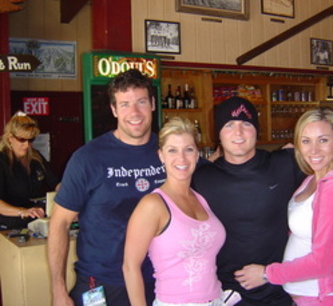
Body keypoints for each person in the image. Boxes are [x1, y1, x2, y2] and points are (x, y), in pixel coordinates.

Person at [47, 69, 166, 306]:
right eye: (124, 104)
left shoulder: (170, 151)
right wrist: (59, 291)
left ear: (153, 103)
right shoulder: (88, 158)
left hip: (159, 281)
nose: (134, 112)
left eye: (141, 101)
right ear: (114, 110)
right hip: (103, 283)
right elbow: (59, 223)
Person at [191, 96, 306, 306]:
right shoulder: (201, 178)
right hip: (222, 295)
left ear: (257, 130)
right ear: (218, 133)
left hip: (277, 292)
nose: (238, 132)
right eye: (229, 125)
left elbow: (324, 161)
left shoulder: (286, 163)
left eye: (246, 124)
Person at [123, 116, 228, 306]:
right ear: (161, 155)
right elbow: (130, 266)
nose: (181, 158)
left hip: (216, 299)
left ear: (197, 154)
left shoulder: (201, 199)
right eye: (172, 150)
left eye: (188, 149)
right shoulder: (153, 205)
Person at [235, 107, 333, 306]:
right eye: (306, 141)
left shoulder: (330, 188)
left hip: (321, 297)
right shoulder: (311, 179)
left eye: (323, 140)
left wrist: (266, 273)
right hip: (301, 295)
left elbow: (324, 263)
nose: (314, 150)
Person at [0, 111, 59, 230]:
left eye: (31, 140)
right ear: (10, 138)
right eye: (22, 140)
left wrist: (65, 192)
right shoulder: (2, 161)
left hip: (35, 214)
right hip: (10, 219)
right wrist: (22, 211)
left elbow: (55, 182)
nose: (27, 145)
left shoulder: (36, 157)